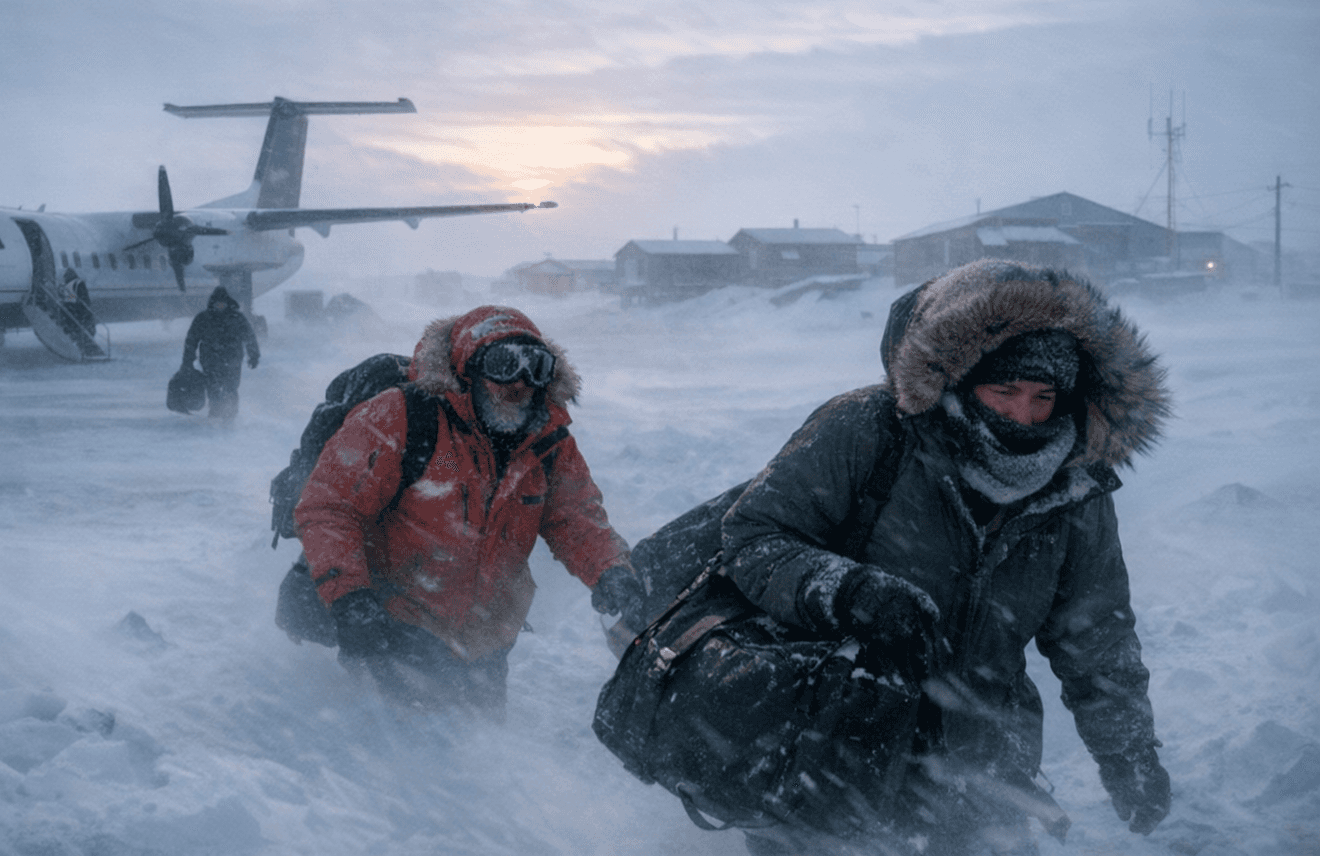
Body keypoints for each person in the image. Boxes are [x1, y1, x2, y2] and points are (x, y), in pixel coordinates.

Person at [722, 259, 1174, 855]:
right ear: (958, 378)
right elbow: (754, 538)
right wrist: (846, 591)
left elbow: (1097, 639)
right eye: (1005, 390)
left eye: (1044, 397)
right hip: (826, 747)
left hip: (982, 769)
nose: (1024, 416)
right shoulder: (867, 432)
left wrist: (1129, 755)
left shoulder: (1073, 486)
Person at [291, 305, 644, 715]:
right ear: (467, 369)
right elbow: (330, 507)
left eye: (537, 367)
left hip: (485, 642)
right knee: (402, 753)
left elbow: (577, 519)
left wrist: (611, 571)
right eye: (503, 364)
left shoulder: (549, 444)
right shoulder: (403, 417)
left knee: (472, 755)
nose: (519, 383)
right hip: (393, 627)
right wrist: (350, 597)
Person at [180, 286, 260, 419]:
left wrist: (254, 355)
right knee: (213, 388)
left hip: (232, 360)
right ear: (213, 303)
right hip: (211, 361)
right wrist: (187, 361)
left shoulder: (237, 318)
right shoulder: (203, 318)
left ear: (228, 303)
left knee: (231, 388)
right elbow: (191, 340)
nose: (220, 306)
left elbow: (249, 337)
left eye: (223, 303)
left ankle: (231, 414)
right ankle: (215, 412)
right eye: (218, 303)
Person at [59, 268, 95, 337]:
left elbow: (63, 295)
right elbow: (84, 296)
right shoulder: (78, 282)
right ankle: (86, 333)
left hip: (68, 307)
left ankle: (75, 333)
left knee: (72, 323)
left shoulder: (65, 285)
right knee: (85, 320)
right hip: (77, 307)